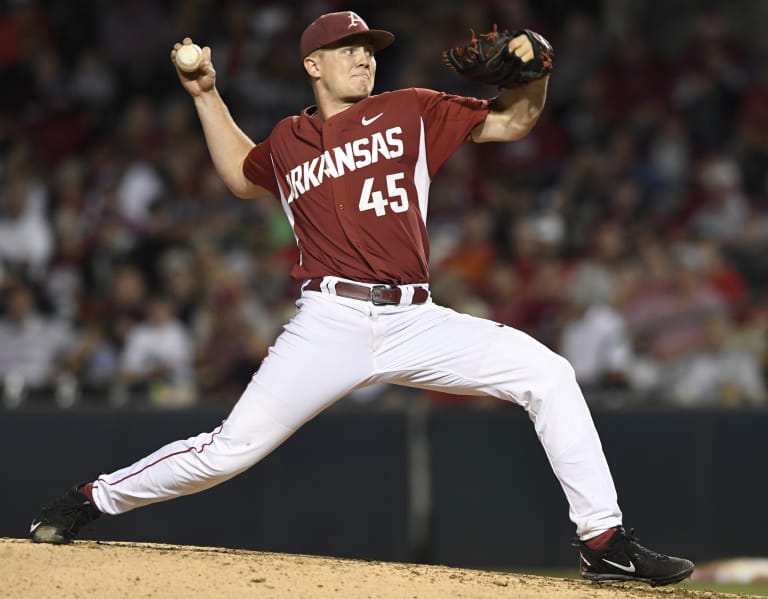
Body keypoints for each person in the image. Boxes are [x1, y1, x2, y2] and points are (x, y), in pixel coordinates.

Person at [29, 10, 694, 586]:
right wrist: (205, 92)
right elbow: (238, 174)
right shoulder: (290, 140)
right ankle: (91, 498)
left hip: (415, 317)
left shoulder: (411, 109)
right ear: (312, 65)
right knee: (228, 449)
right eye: (349, 49)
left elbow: (515, 122)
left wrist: (536, 69)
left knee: (548, 373)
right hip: (331, 319)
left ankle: (604, 543)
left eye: (369, 49)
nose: (363, 58)